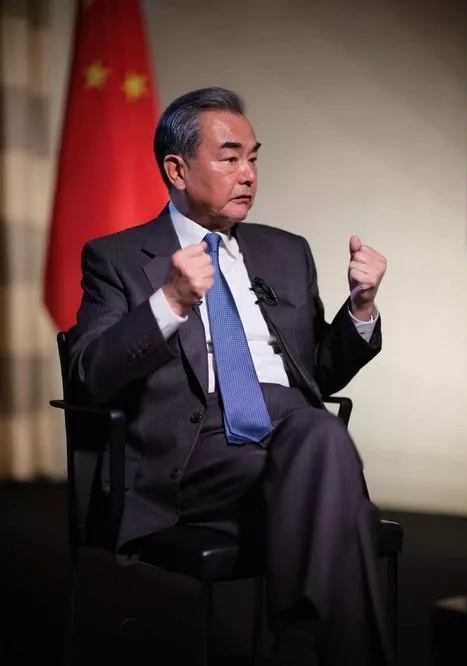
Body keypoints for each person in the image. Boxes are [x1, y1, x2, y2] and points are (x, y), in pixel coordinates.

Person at [67, 86, 391, 666]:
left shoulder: (285, 252)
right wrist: (169, 301)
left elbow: (317, 372)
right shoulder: (117, 258)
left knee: (316, 434)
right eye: (230, 157)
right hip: (197, 446)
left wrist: (361, 307)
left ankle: (296, 646)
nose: (248, 175)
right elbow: (90, 374)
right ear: (177, 169)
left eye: (254, 158)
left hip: (292, 432)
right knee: (341, 492)